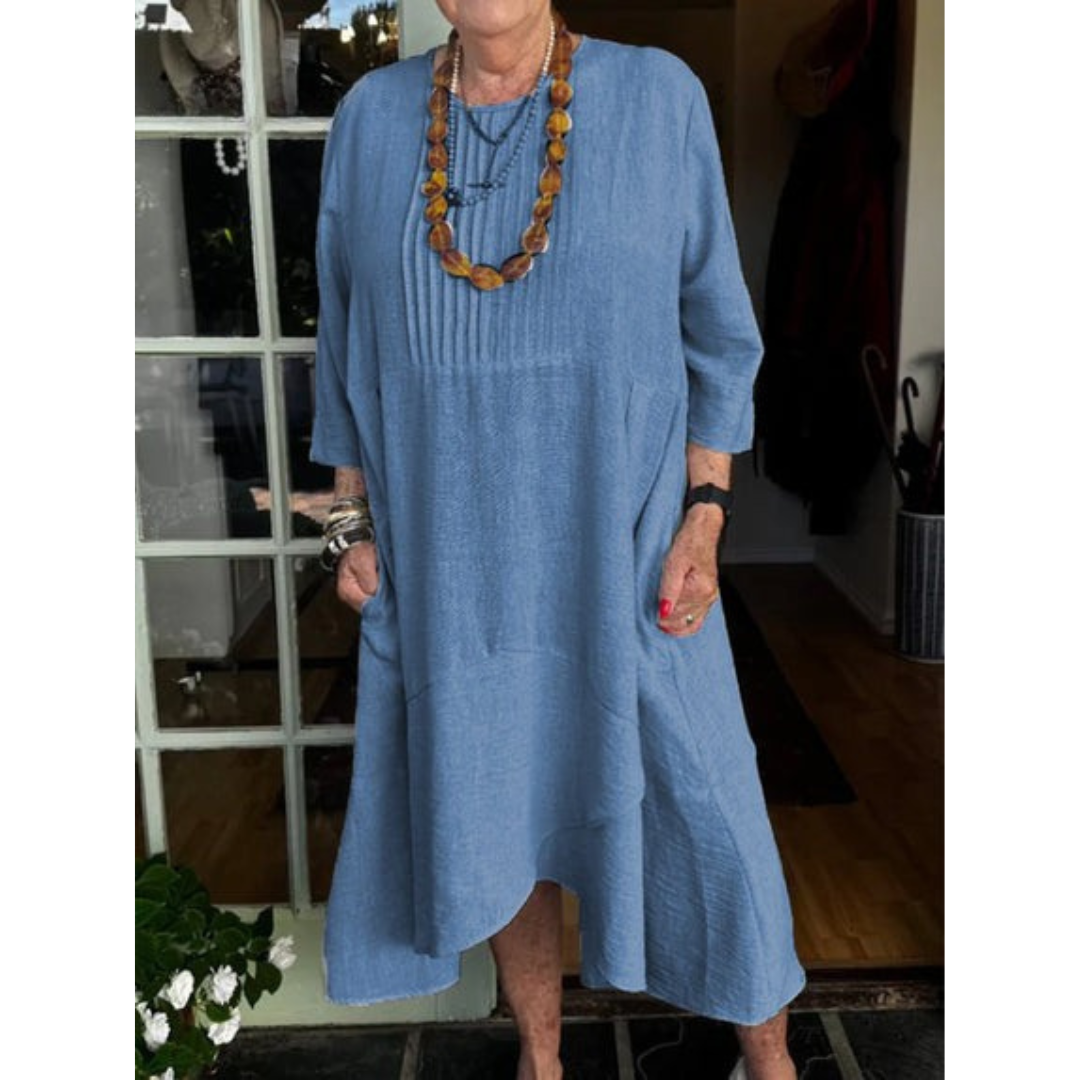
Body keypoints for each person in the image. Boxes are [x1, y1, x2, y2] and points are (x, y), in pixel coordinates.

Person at [311, 3, 805, 1078]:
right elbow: (343, 338)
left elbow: (720, 331)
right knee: (497, 815)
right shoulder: (373, 120)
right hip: (453, 562)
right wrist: (351, 521)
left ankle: (768, 1054)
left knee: (710, 804)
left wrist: (706, 513)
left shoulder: (658, 98)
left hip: (628, 554)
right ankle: (542, 1057)